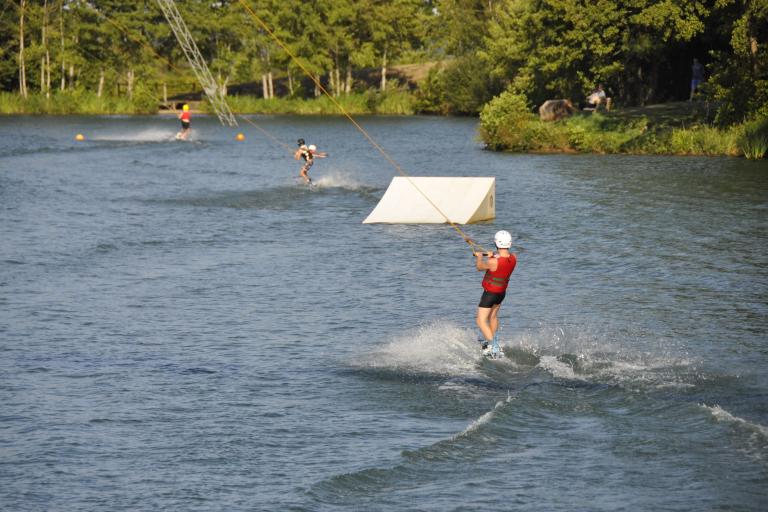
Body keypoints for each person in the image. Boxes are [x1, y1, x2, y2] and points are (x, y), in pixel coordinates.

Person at [473, 230, 517, 358]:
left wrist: (480, 256)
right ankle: (492, 340)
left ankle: (494, 346)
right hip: (501, 293)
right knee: (492, 317)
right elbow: (501, 259)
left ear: (495, 242)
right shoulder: (514, 257)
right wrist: (492, 255)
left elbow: (480, 267)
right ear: (510, 243)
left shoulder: (494, 261)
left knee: (480, 320)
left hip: (490, 294)